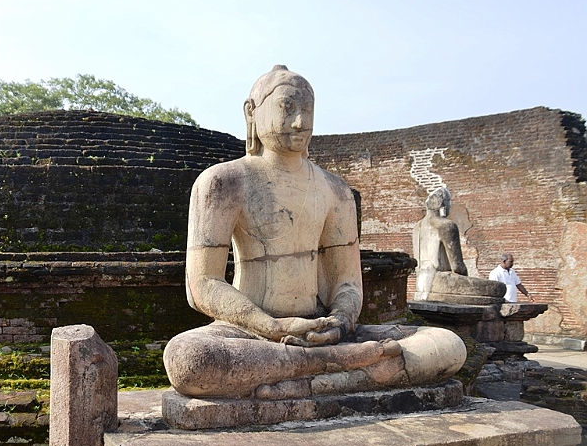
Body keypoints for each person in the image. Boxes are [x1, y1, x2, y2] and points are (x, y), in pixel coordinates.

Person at [162, 65, 466, 399]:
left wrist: (339, 323)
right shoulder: (222, 182)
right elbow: (202, 285)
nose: (300, 122)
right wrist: (273, 327)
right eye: (287, 107)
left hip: (322, 331)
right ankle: (352, 367)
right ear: (251, 112)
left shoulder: (335, 190)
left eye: (307, 110)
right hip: (249, 332)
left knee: (448, 344)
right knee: (188, 359)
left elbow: (347, 283)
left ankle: (307, 373)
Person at [412, 187, 505, 303]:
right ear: (443, 205)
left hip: (420, 284)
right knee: (498, 288)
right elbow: (457, 267)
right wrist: (465, 278)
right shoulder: (446, 226)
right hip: (439, 281)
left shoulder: (416, 227)